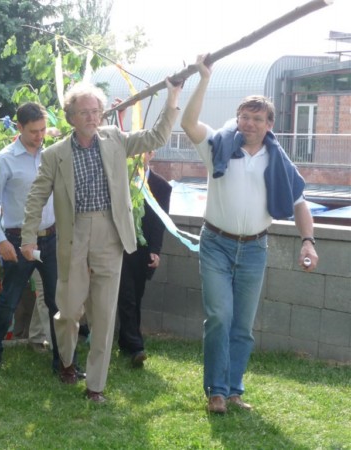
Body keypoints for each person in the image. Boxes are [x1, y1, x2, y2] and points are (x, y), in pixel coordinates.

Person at [21, 80, 182, 403]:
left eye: (96, 111)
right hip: (74, 235)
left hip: (110, 234)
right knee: (68, 311)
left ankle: (95, 386)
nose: (92, 117)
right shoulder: (54, 155)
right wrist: (27, 237)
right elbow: (36, 197)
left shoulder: (115, 140)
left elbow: (156, 137)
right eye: (84, 112)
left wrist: (172, 97)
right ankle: (67, 360)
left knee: (105, 314)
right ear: (71, 117)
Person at [181, 54, 319, 414]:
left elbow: (300, 204)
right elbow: (188, 122)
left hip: (255, 249)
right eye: (244, 116)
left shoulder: (278, 161)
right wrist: (204, 78)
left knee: (242, 325)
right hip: (216, 244)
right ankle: (216, 391)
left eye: (258, 119)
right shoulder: (218, 148)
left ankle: (233, 390)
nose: (250, 123)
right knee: (219, 317)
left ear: (270, 124)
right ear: (237, 118)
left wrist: (308, 242)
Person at [0, 102, 63, 371]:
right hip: (16, 241)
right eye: (33, 131)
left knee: (56, 302)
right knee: (9, 300)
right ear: (19, 127)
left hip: (50, 238)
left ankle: (62, 360)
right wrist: (1, 240)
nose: (39, 136)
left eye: (43, 130)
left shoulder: (50, 155)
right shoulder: (4, 160)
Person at [117, 150, 171, 368]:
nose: (140, 156)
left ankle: (125, 341)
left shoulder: (162, 186)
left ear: (152, 153)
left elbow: (160, 222)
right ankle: (136, 346)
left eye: (145, 151)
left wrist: (156, 250)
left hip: (144, 250)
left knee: (136, 296)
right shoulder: (121, 179)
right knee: (127, 296)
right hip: (120, 247)